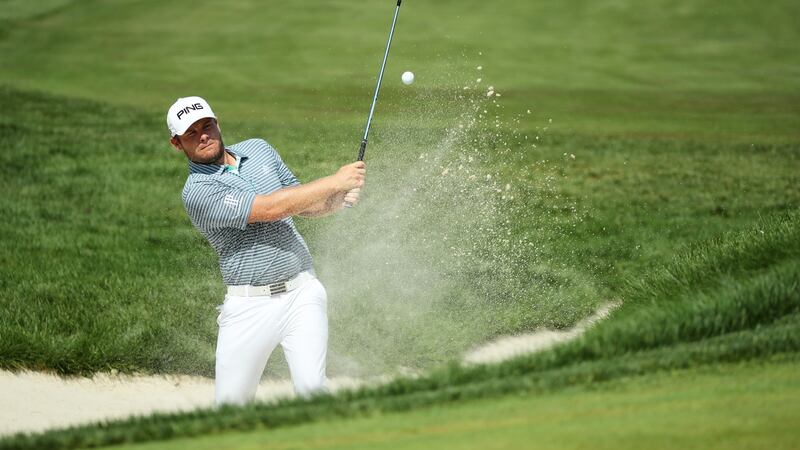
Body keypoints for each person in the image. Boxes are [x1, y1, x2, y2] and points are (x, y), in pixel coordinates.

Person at [166, 96, 364, 405]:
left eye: (207, 126)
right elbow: (270, 209)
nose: (203, 135)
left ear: (218, 124)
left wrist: (337, 199)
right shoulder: (197, 192)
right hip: (249, 308)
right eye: (191, 133)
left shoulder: (259, 149)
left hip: (303, 293)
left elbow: (300, 202)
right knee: (232, 411)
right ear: (177, 144)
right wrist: (333, 181)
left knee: (314, 394)